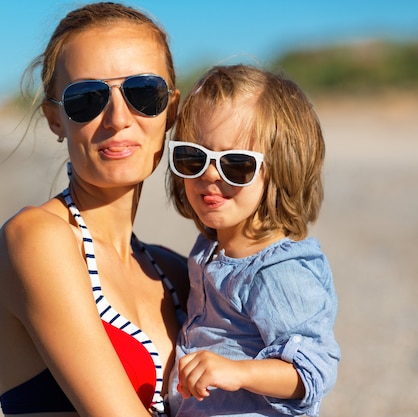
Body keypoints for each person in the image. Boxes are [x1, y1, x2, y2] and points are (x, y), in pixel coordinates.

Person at [0, 3, 188, 417]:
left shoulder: (176, 273)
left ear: (171, 109)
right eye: (87, 99)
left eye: (143, 93)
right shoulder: (35, 239)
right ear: (55, 119)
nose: (117, 118)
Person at [165, 64, 341, 416]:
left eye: (236, 164)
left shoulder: (278, 272)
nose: (210, 174)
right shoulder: (211, 250)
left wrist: (238, 372)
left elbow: (313, 371)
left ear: (281, 169)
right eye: (193, 157)